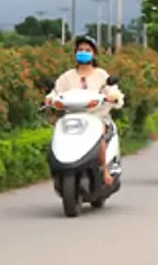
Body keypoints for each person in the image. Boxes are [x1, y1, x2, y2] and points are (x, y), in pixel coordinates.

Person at [47, 35, 124, 186]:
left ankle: (105, 170)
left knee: (99, 133)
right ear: (75, 53)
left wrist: (112, 96)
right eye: (80, 50)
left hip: (97, 118)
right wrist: (50, 99)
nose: (83, 52)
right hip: (72, 119)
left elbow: (113, 91)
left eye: (87, 50)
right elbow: (55, 92)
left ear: (94, 54)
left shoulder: (101, 75)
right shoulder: (67, 77)